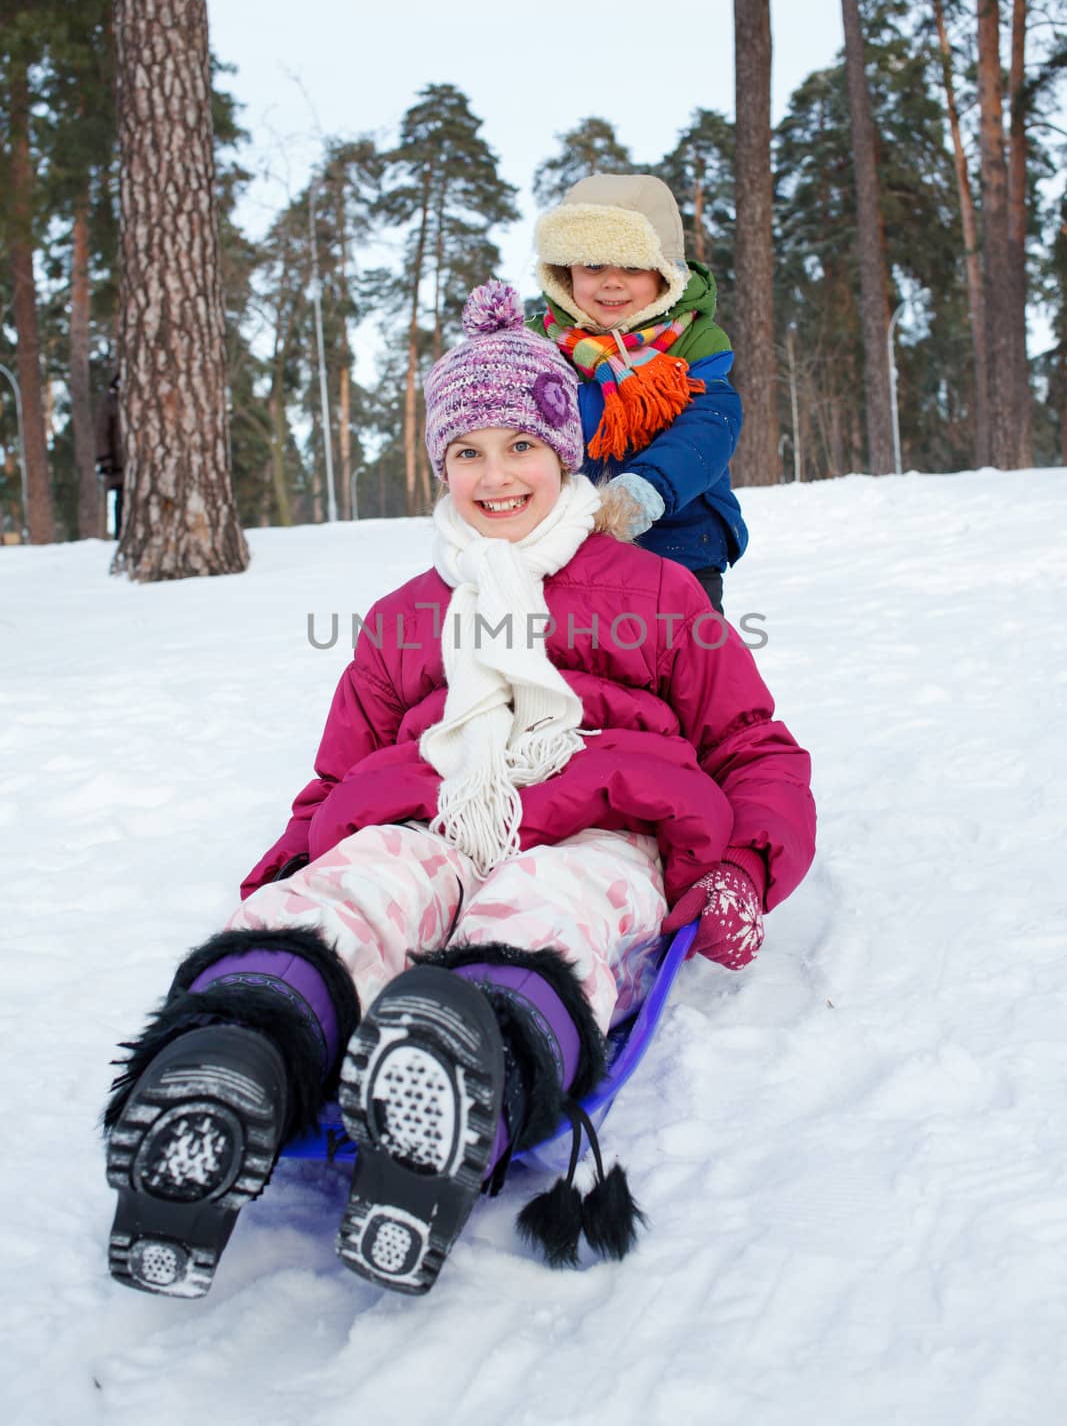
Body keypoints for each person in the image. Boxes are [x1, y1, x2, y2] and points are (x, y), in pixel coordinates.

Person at [103, 282, 815, 1303]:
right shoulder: (408, 613)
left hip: (602, 820)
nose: (495, 474)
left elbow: (755, 751)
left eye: (519, 446)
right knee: (362, 883)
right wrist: (298, 869)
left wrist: (742, 867)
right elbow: (336, 778)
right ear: (439, 466)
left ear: (564, 451)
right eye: (466, 452)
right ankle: (235, 1060)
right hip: (430, 808)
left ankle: (462, 1061)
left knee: (548, 905)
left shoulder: (654, 592)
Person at [533, 172, 746, 614]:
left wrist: (647, 488)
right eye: (593, 266)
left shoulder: (692, 345)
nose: (612, 282)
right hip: (559, 550)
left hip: (677, 547)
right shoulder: (535, 348)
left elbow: (706, 429)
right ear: (564, 271)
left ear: (664, 274)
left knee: (691, 670)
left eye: (631, 267)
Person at [94, 373, 124, 538]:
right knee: (122, 499)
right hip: (119, 464)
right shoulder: (110, 401)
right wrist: (105, 460)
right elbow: (101, 433)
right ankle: (119, 535)